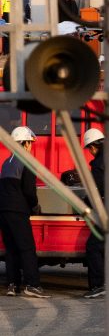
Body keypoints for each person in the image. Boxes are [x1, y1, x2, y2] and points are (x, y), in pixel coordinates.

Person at [0, 126, 44, 298]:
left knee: (11, 249)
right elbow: (29, 192)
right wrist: (35, 206)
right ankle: (32, 285)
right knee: (27, 248)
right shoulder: (27, 161)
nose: (31, 146)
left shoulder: (6, 162)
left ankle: (12, 285)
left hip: (3, 211)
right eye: (30, 143)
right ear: (25, 143)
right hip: (18, 211)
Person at [79, 127, 106, 298]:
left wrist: (84, 204)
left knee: (93, 247)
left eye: (89, 148)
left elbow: (97, 191)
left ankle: (98, 285)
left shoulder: (98, 165)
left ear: (93, 147)